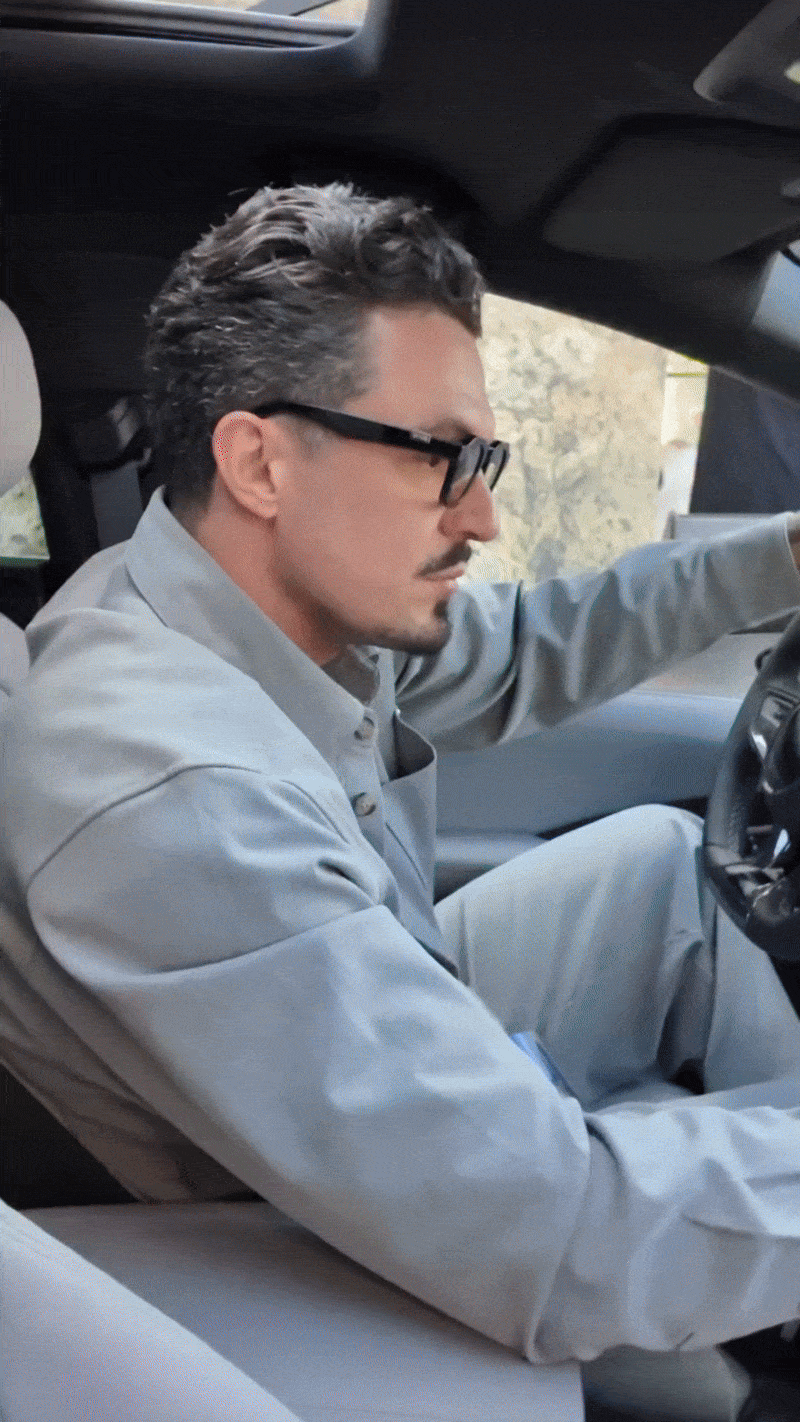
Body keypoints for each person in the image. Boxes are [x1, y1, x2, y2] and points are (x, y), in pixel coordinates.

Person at [2, 185, 800, 1405]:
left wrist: (783, 557)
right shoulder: (171, 788)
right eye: (440, 458)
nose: (480, 513)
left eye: (482, 458)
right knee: (688, 1382)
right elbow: (559, 1236)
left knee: (658, 867)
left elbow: (527, 650)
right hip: (250, 1207)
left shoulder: (236, 604)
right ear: (259, 459)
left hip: (318, 1040)